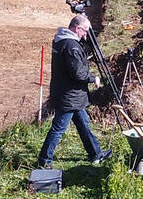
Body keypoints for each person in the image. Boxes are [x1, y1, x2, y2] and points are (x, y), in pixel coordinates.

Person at [38, 14, 112, 169]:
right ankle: (44, 161)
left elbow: (74, 59)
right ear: (77, 28)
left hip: (69, 94)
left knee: (83, 123)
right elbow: (77, 73)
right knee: (58, 128)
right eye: (85, 31)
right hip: (69, 96)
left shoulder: (62, 40)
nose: (86, 35)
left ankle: (95, 154)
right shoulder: (71, 46)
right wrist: (93, 78)